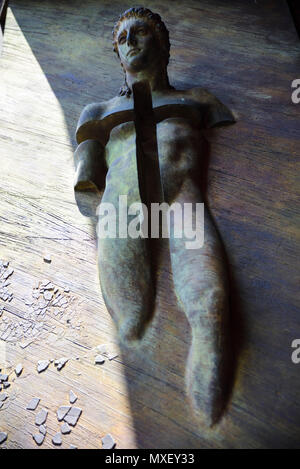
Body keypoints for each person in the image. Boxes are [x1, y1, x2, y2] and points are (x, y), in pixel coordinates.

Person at [74, 7, 235, 425]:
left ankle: (207, 417)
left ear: (163, 44)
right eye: (122, 36)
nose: (130, 41)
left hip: (184, 199)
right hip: (121, 205)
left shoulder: (198, 100)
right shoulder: (97, 112)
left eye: (140, 32)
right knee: (129, 320)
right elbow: (88, 176)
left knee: (211, 301)